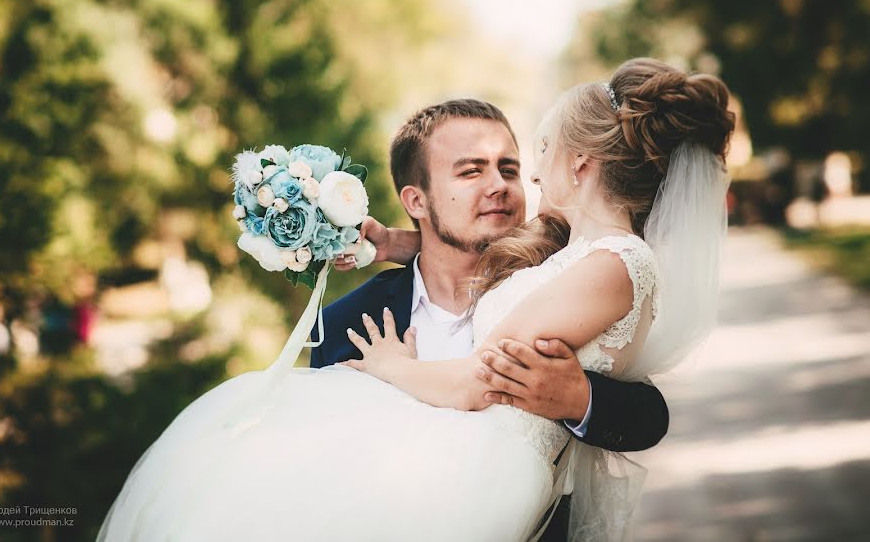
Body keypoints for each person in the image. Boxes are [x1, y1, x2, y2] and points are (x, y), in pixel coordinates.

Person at [99, 58, 733, 541]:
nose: (503, 185)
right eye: (470, 171)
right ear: (417, 201)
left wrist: (578, 398)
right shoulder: (349, 323)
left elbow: (648, 414)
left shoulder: (573, 259)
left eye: (510, 167)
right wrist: (409, 247)